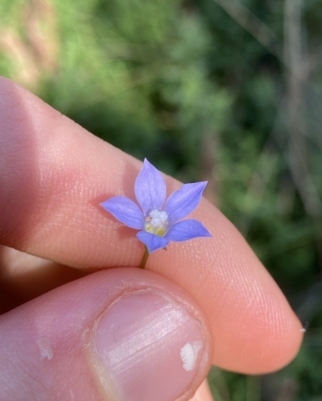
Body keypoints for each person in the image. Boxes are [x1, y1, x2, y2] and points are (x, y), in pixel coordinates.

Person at [0, 76, 303, 401]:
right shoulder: (141, 218)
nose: (157, 223)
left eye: (159, 224)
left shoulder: (172, 225)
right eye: (155, 223)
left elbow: (181, 220)